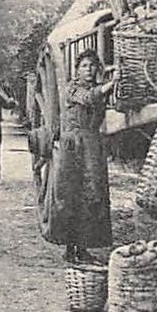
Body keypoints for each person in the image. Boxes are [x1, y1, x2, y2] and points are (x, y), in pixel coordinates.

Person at [41, 51, 115, 261]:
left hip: (92, 146)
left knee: (92, 194)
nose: (88, 70)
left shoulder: (98, 89)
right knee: (71, 194)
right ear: (77, 70)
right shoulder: (73, 88)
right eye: (84, 66)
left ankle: (84, 247)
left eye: (92, 66)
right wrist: (109, 85)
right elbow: (88, 98)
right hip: (73, 146)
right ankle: (70, 248)